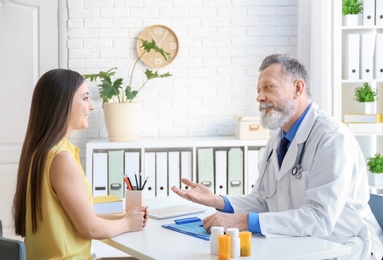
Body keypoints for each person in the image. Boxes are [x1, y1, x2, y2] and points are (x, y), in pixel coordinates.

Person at [172, 54, 383, 260]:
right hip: (300, 244)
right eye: (258, 90)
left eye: (268, 87)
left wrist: (242, 221)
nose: (259, 97)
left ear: (297, 89)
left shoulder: (332, 138)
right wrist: (219, 201)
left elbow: (319, 219)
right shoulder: (277, 138)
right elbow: (263, 200)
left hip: (343, 246)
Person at [12, 69, 148, 259]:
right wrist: (127, 224)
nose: (91, 106)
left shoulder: (39, 153)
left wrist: (126, 218)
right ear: (63, 103)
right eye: (85, 98)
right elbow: (90, 228)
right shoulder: (61, 159)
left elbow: (81, 219)